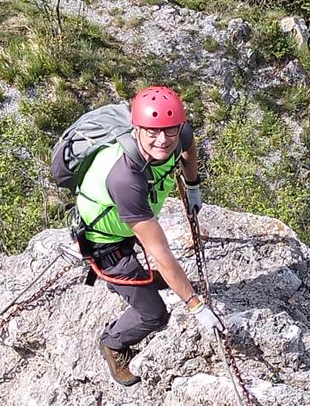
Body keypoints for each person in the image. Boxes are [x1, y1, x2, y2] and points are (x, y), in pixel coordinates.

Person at [75, 85, 221, 386]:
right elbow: (160, 252)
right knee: (154, 314)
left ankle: (138, 280)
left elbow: (188, 146)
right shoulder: (125, 177)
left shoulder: (176, 134)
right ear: (136, 128)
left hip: (124, 226)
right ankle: (113, 343)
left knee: (160, 279)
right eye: (152, 132)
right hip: (106, 244)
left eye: (169, 131)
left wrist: (193, 185)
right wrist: (196, 306)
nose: (162, 140)